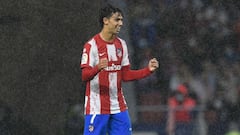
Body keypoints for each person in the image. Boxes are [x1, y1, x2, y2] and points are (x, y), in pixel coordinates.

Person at [80, 4, 159, 135]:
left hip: (118, 107)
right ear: (105, 21)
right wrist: (97, 68)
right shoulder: (91, 46)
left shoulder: (121, 45)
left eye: (122, 20)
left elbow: (126, 75)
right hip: (97, 107)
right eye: (117, 19)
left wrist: (148, 70)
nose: (121, 23)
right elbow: (84, 76)